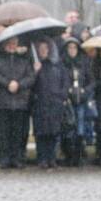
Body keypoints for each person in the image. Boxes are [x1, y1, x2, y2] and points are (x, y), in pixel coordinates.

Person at [0, 37, 35, 169]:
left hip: (20, 102)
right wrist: (7, 83)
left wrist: (18, 84)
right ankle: (4, 158)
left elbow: (31, 77)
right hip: (2, 100)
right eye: (8, 44)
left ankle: (17, 158)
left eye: (14, 44)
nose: (11, 46)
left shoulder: (24, 59)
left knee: (19, 132)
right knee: (2, 133)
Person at [31, 39, 69, 169]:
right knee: (41, 133)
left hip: (55, 103)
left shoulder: (57, 64)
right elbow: (30, 84)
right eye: (40, 49)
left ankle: (52, 158)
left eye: (45, 48)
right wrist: (35, 72)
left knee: (54, 132)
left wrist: (62, 95)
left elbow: (65, 81)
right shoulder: (35, 65)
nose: (43, 51)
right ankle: (42, 158)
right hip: (40, 103)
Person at [61, 38, 94, 167]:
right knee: (68, 128)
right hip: (68, 100)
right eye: (69, 48)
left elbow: (91, 81)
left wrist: (85, 91)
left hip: (81, 100)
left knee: (80, 128)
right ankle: (68, 155)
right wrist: (67, 91)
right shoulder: (63, 63)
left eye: (74, 48)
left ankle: (78, 156)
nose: (72, 50)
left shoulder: (84, 63)